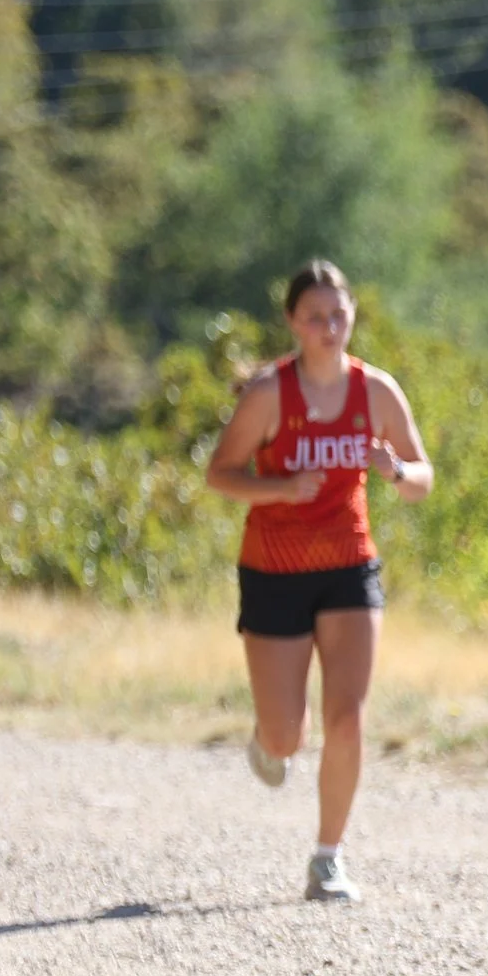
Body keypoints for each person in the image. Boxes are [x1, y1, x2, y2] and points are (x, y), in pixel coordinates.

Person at [204, 259, 433, 903]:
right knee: (287, 735)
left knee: (349, 717)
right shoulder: (270, 395)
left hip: (348, 565)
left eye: (339, 315)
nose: (330, 328)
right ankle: (267, 738)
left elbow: (422, 479)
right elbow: (221, 474)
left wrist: (392, 471)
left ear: (352, 315)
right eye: (315, 317)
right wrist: (279, 488)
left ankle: (327, 858)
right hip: (274, 569)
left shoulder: (376, 392)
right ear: (292, 323)